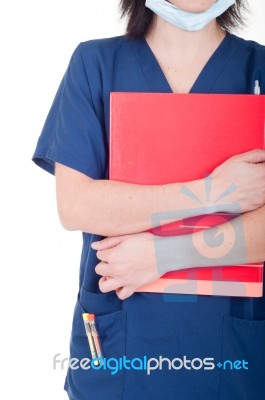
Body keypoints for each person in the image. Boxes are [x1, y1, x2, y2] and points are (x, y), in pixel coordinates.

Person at [32, 1, 265, 399]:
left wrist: (164, 256)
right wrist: (214, 193)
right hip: (122, 346)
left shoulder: (257, 69)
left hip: (231, 352)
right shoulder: (95, 63)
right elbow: (76, 205)